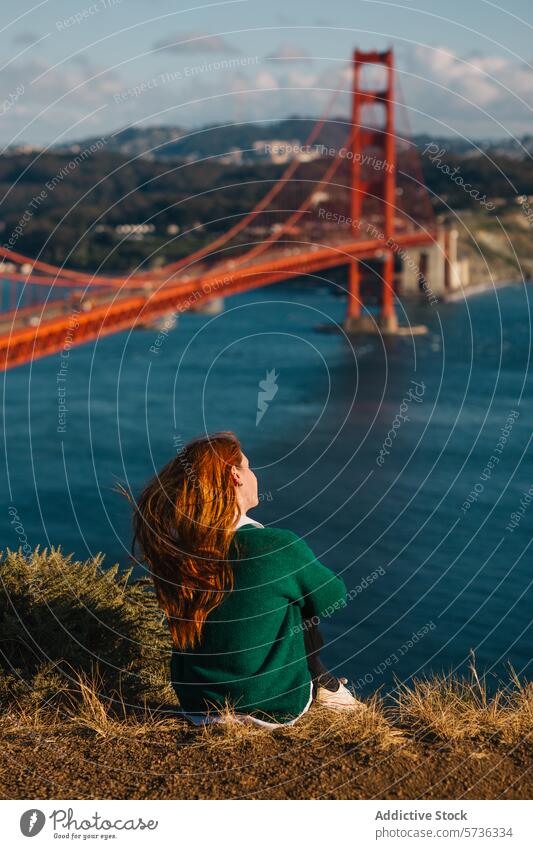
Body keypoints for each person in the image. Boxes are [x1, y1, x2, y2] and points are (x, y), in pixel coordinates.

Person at [130, 431, 364, 727]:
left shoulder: (182, 554)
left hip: (197, 706)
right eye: (248, 466)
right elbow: (334, 596)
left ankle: (324, 682)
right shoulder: (277, 545)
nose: (254, 475)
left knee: (277, 591)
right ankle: (325, 685)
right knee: (298, 599)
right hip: (273, 705)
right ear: (234, 476)